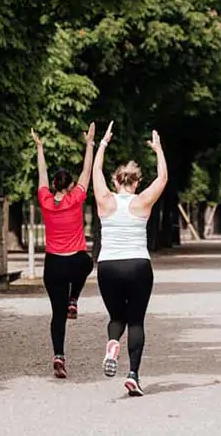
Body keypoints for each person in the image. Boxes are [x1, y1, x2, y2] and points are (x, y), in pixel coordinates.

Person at [94, 122, 167, 397]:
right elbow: (162, 179)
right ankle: (133, 374)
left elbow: (95, 172)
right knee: (136, 321)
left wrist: (101, 144)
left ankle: (113, 342)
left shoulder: (105, 200)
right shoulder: (142, 202)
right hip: (138, 264)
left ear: (116, 181)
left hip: (108, 266)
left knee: (117, 317)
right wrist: (159, 150)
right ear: (136, 182)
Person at [31, 123, 96, 379]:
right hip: (75, 262)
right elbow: (87, 171)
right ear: (69, 186)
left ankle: (59, 355)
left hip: (53, 266)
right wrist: (89, 144)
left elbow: (41, 176)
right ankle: (74, 298)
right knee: (88, 264)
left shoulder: (46, 201)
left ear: (55, 185)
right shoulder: (76, 198)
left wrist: (40, 148)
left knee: (57, 317)